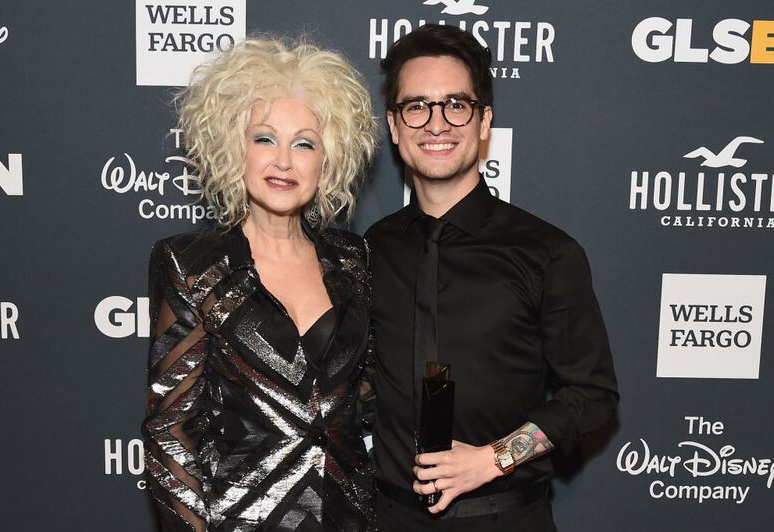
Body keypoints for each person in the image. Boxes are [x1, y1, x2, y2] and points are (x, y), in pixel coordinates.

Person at [365, 24, 619, 531]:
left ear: (484, 122)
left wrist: (493, 458)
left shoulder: (546, 252)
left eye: (456, 104)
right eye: (416, 106)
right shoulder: (372, 247)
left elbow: (593, 397)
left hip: (505, 518)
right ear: (394, 126)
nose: (436, 124)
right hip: (386, 517)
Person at [142, 38, 378, 532]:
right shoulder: (190, 264)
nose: (284, 161)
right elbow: (171, 429)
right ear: (235, 148)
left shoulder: (353, 261)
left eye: (305, 143)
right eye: (265, 138)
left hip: (350, 517)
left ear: (327, 160)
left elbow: (369, 399)